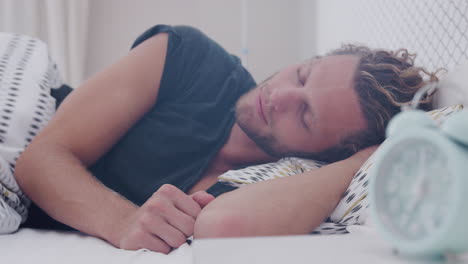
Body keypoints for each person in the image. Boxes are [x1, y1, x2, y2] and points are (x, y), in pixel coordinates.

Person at [14, 25, 436, 254]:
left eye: (306, 114)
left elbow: (228, 227)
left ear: (321, 154)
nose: (282, 94)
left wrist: (357, 163)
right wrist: (124, 222)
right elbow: (40, 160)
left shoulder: (278, 181)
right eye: (303, 75)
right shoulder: (192, 60)